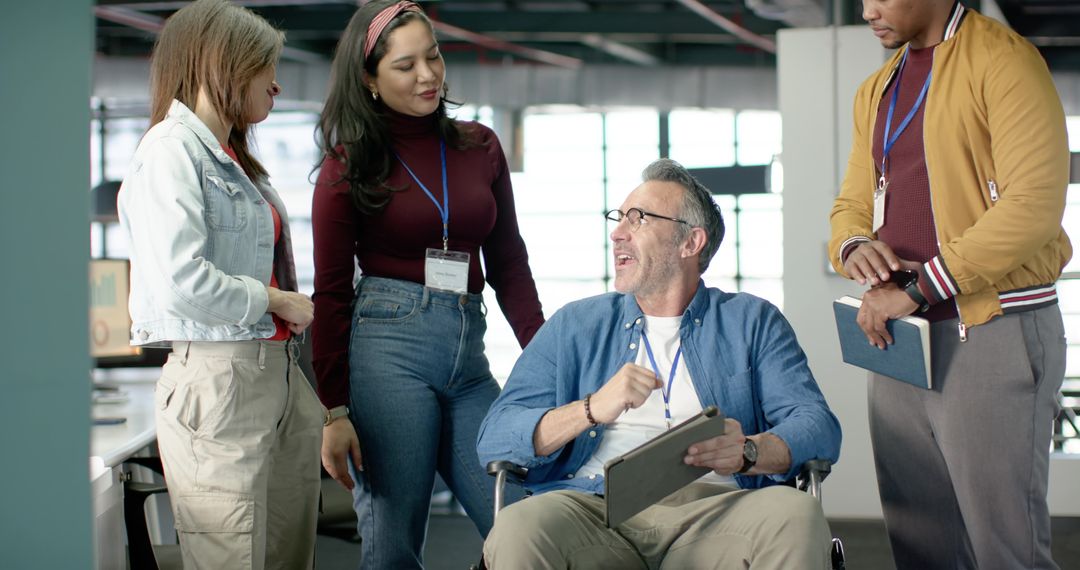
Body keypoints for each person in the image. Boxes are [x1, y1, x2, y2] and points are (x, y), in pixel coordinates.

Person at [477, 159, 842, 569]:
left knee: (797, 515)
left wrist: (749, 451)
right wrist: (591, 409)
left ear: (691, 242)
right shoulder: (574, 325)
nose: (617, 233)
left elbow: (817, 426)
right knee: (519, 526)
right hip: (594, 511)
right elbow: (495, 437)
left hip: (718, 512)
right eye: (618, 218)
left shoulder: (752, 321)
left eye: (639, 218)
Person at [829, 1, 1071, 568]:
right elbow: (852, 203)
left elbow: (1033, 207)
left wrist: (919, 288)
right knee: (920, 544)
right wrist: (854, 246)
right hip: (901, 338)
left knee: (1004, 549)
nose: (867, 10)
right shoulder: (877, 89)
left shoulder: (1005, 61)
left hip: (992, 326)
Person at [311, 1, 545, 567]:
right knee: (394, 544)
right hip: (387, 352)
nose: (427, 75)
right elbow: (331, 294)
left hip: (468, 357)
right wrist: (334, 411)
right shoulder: (348, 165)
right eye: (405, 65)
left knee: (522, 521)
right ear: (369, 79)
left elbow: (509, 262)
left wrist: (546, 357)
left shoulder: (480, 145)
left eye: (433, 56)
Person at [116, 0, 324, 568]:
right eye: (264, 67)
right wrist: (274, 299)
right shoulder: (169, 150)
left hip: (276, 376)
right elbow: (181, 282)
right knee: (233, 557)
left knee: (288, 555)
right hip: (222, 381)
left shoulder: (232, 158)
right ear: (223, 64)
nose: (276, 84)